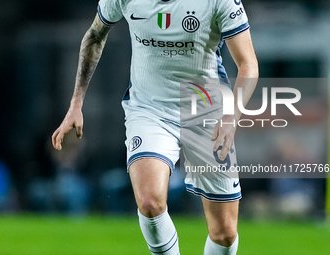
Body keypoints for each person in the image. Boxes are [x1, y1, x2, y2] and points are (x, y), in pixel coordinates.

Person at [52, 0, 258, 254]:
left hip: (205, 112)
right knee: (149, 202)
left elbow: (248, 64)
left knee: (224, 233)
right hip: (149, 110)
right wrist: (76, 103)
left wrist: (231, 117)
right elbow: (95, 35)